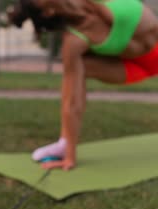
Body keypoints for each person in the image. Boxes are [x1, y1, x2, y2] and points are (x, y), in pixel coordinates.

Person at [8, 0, 158, 170]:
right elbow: (72, 102)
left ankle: (64, 143)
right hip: (136, 67)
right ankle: (65, 144)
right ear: (47, 12)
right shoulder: (74, 40)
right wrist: (70, 157)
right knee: (74, 77)